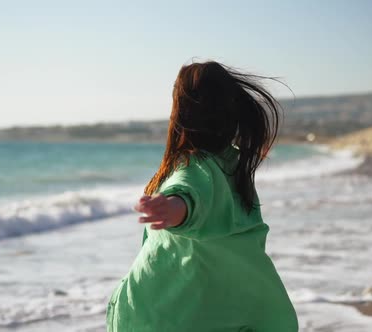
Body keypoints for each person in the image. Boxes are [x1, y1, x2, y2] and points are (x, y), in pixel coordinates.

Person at [106, 61, 298, 331]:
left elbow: (192, 194)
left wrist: (172, 208)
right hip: (207, 307)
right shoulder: (233, 166)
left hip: (164, 314)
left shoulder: (197, 167)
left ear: (181, 113)